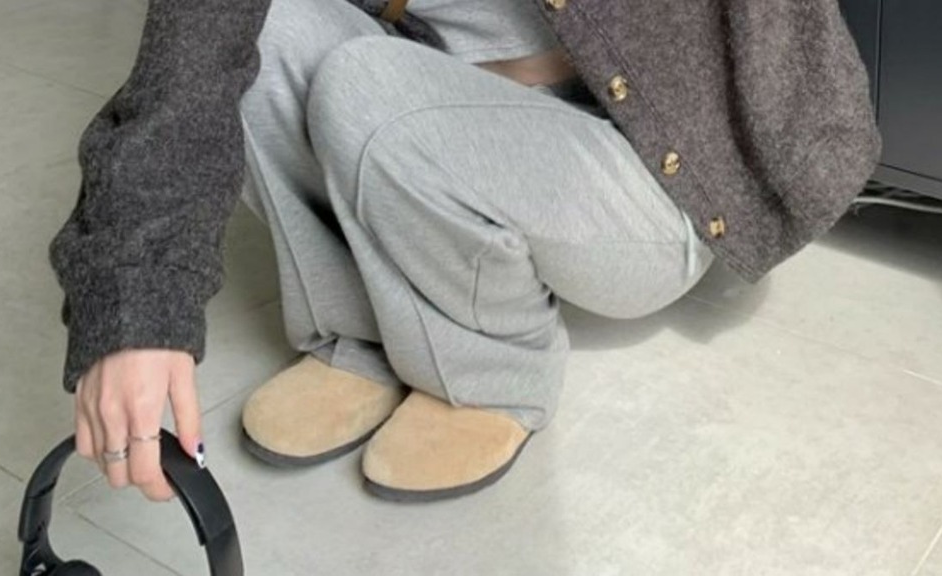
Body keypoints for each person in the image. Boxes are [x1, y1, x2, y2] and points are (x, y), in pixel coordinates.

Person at [51, 0, 879, 503]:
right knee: (261, 36)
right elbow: (191, 56)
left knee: (369, 93)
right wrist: (135, 304)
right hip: (442, 94)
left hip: (644, 167)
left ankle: (491, 371)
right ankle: (365, 335)